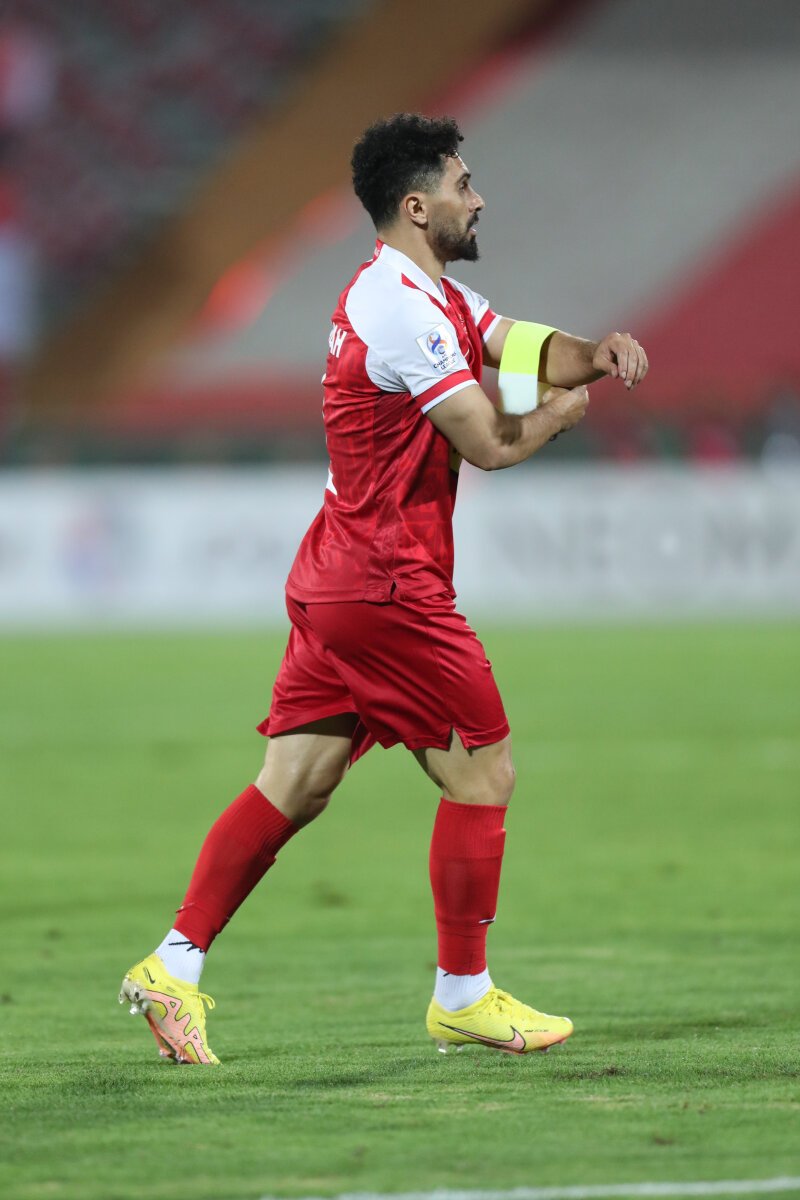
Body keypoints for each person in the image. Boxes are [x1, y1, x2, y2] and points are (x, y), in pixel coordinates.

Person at [120, 113, 648, 1064]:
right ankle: (464, 994)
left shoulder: (419, 292)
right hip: (385, 585)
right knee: (484, 771)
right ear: (416, 206)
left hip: (338, 573)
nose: (478, 198)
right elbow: (491, 442)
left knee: (296, 780)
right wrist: (564, 414)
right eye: (463, 184)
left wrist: (595, 352)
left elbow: (515, 343)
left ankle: (172, 965)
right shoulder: (403, 313)